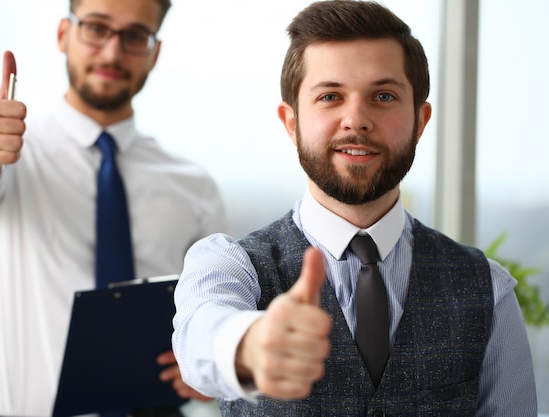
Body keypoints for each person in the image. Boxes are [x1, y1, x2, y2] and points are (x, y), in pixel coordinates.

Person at [171, 1, 538, 416]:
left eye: (383, 96)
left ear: (420, 120)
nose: (356, 119)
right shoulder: (228, 263)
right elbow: (200, 334)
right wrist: (251, 343)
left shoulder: (490, 290)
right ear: (291, 123)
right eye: (330, 96)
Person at [0, 0, 227, 416]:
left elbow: (215, 304)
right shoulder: (8, 156)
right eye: (96, 27)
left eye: (134, 36)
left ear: (154, 52)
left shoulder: (193, 185)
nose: (112, 52)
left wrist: (209, 360)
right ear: (63, 34)